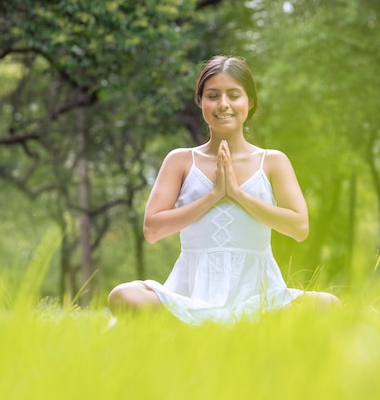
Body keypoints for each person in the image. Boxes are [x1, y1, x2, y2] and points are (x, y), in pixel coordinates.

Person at [108, 55, 339, 325]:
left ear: (249, 102)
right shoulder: (181, 160)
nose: (224, 104)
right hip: (190, 293)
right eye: (213, 95)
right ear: (201, 102)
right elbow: (152, 229)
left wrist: (238, 195)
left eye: (234, 95)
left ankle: (212, 327)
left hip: (259, 294)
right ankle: (219, 324)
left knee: (329, 305)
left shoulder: (273, 161)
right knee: (122, 295)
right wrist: (213, 196)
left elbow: (299, 228)